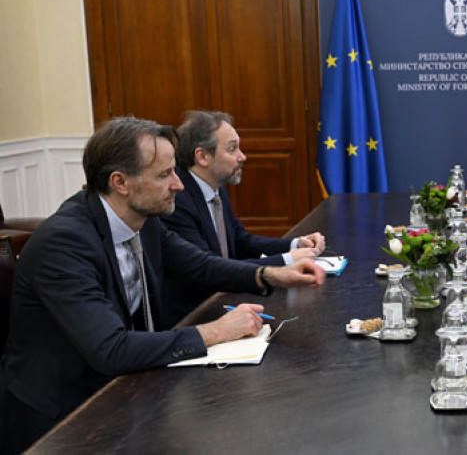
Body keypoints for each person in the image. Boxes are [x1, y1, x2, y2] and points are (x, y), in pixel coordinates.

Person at [0, 117, 325, 453]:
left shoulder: (143, 220)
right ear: (120, 182)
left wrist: (269, 275)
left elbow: (200, 264)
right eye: (164, 174)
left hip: (124, 391)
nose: (179, 184)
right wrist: (217, 330)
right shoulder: (64, 243)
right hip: (61, 420)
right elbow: (111, 349)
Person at [159, 110, 325, 329]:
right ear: (202, 157)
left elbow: (241, 241)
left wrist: (294, 245)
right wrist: (285, 262)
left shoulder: (216, 187)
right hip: (193, 317)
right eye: (232, 149)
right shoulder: (177, 200)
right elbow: (206, 268)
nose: (242, 156)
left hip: (223, 299)